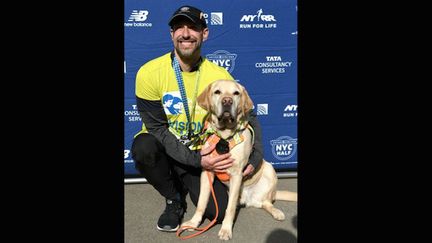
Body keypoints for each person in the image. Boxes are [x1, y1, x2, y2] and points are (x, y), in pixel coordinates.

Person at [132, 5, 264, 232]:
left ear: (205, 33)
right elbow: (156, 129)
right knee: (144, 146)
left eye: (193, 27)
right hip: (169, 149)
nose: (185, 33)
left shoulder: (220, 77)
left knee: (219, 213)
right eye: (179, 28)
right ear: (171, 34)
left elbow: (250, 117)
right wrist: (197, 161)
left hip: (201, 153)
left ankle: (185, 182)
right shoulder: (149, 72)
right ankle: (173, 198)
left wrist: (255, 157)